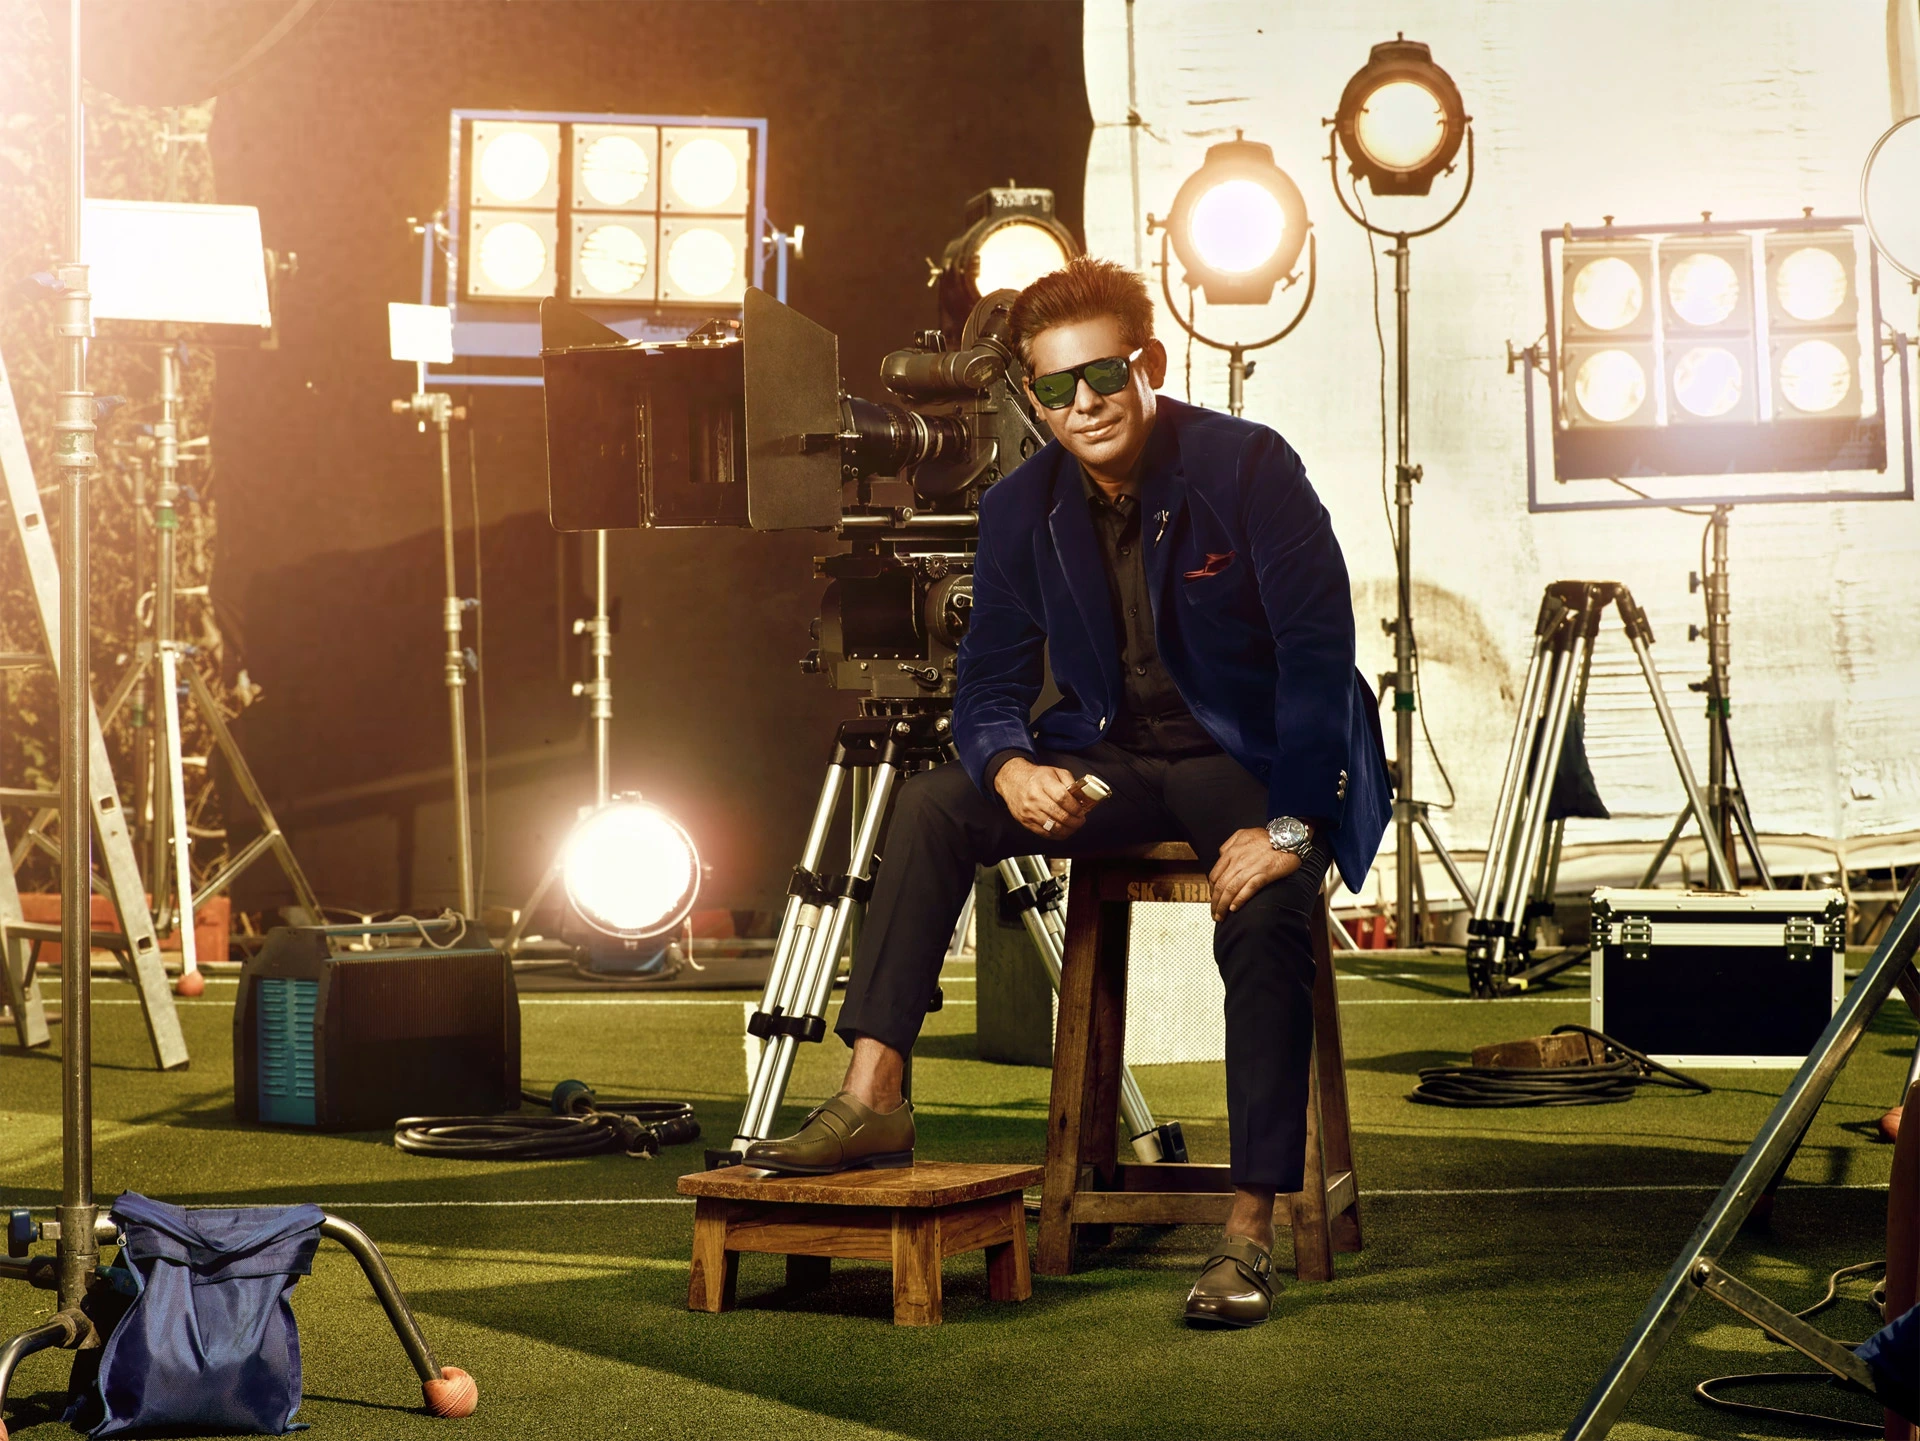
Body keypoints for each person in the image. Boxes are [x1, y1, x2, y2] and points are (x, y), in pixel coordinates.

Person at [745, 256, 1390, 1328]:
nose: (1081, 403)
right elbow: (987, 683)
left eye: (1100, 375)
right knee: (933, 804)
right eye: (1054, 386)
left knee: (1268, 902)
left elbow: (1319, 660)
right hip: (1117, 756)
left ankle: (1248, 1227)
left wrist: (1291, 824)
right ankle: (873, 1094)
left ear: (1149, 363)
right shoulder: (1020, 506)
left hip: (1253, 756)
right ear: (1033, 398)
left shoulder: (1250, 465)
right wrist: (1009, 766)